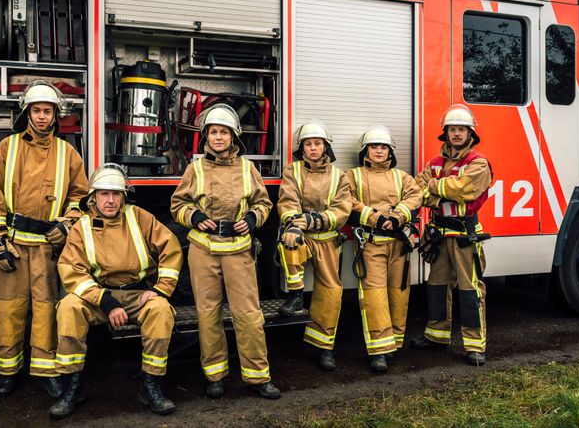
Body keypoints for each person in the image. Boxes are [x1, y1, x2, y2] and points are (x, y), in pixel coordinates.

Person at [0, 80, 89, 398]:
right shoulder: (8, 147)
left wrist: (68, 225)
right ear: (27, 113)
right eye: (37, 110)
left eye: (47, 111)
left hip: (47, 247)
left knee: (46, 311)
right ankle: (7, 371)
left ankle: (45, 371)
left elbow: (80, 196)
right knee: (8, 311)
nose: (42, 117)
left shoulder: (68, 152)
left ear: (56, 115)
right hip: (13, 246)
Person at [50, 164, 183, 419]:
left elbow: (171, 248)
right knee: (68, 308)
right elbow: (71, 270)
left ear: (124, 196)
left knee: (161, 312)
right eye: (103, 194)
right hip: (99, 297)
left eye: (115, 194)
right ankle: (73, 387)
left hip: (138, 296)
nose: (110, 200)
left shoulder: (139, 217)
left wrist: (161, 290)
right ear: (93, 198)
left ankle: (151, 385)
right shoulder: (82, 227)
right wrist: (106, 302)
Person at [170, 103, 279, 400]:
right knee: (208, 314)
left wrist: (253, 219)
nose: (218, 137)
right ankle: (215, 375)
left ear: (234, 136)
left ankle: (258, 376)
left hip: (238, 250)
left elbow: (264, 203)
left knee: (248, 314)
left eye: (224, 132)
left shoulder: (248, 168)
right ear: (206, 137)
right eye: (213, 132)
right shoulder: (195, 169)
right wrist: (193, 217)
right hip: (203, 250)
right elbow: (178, 204)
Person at [411, 104, 493, 366]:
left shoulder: (478, 163)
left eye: (462, 129)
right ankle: (437, 336)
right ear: (445, 133)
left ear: (471, 134)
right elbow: (417, 190)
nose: (457, 134)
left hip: (464, 236)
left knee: (470, 290)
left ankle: (474, 345)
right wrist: (440, 192)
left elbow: (463, 189)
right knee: (436, 287)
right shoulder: (434, 163)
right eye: (452, 129)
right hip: (439, 235)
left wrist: (434, 189)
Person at [275, 121, 351, 371]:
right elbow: (288, 200)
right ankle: (296, 295)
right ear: (302, 149)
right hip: (302, 234)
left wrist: (315, 220)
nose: (313, 148)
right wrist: (294, 224)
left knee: (330, 292)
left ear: (325, 146)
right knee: (289, 241)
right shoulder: (293, 171)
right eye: (308, 144)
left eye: (317, 143)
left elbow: (342, 209)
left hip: (328, 238)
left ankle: (324, 348)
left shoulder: (339, 176)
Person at [346, 125, 421, 373]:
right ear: (365, 151)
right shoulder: (353, 175)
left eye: (383, 147)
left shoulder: (402, 177)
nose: (379, 151)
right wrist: (375, 217)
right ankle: (379, 351)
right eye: (374, 146)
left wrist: (398, 216)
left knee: (399, 295)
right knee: (374, 297)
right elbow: (348, 200)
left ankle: (395, 343)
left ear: (390, 151)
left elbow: (415, 197)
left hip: (399, 246)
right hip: (371, 245)